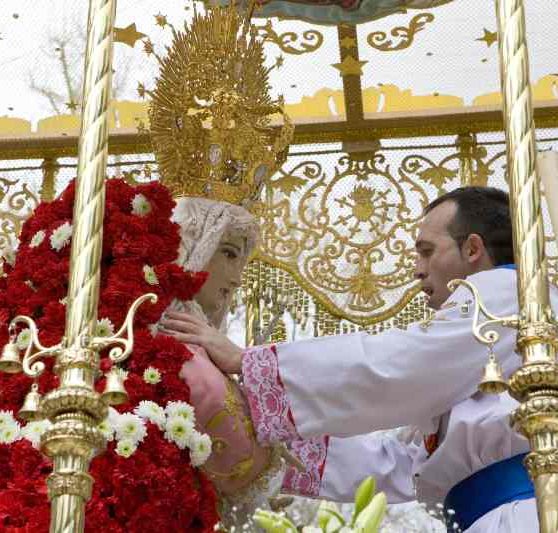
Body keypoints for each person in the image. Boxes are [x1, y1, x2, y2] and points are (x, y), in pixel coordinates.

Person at [160, 186, 558, 532]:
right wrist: (264, 444)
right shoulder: (483, 342)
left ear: (473, 249)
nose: (417, 271)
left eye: (426, 251)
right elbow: (404, 463)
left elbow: (402, 366)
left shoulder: (509, 295)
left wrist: (249, 362)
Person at [162, 196, 286, 527]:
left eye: (240, 262)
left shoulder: (200, 346)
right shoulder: (175, 347)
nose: (236, 279)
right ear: (190, 245)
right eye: (228, 254)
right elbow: (242, 455)